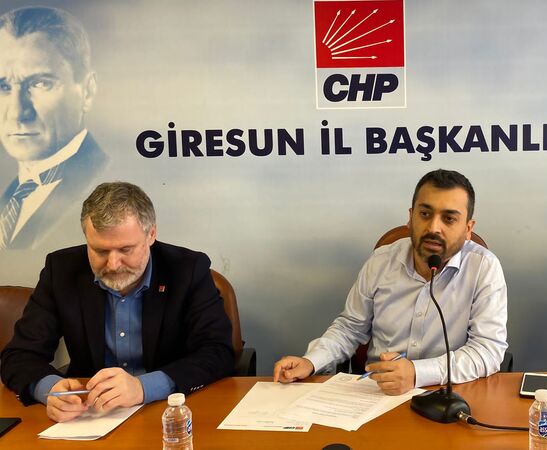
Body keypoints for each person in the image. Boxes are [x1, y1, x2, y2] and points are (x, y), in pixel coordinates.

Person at [0, 182, 234, 422]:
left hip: (169, 411)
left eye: (125, 249)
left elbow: (218, 351)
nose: (113, 264)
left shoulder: (187, 269)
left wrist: (143, 387)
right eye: (100, 251)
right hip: (90, 414)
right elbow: (18, 355)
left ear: (151, 234)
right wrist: (49, 390)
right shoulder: (61, 270)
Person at [273, 169, 508, 395]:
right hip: (378, 393)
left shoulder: (483, 268)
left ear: (468, 229)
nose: (433, 228)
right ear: (411, 217)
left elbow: (488, 350)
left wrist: (417, 373)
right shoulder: (382, 261)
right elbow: (349, 328)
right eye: (425, 214)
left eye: (449, 219)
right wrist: (311, 361)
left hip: (448, 393)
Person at [0, 6, 107, 250]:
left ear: (87, 91)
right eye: (3, 87)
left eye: (40, 83)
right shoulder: (11, 196)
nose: (17, 112)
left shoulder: (101, 181)